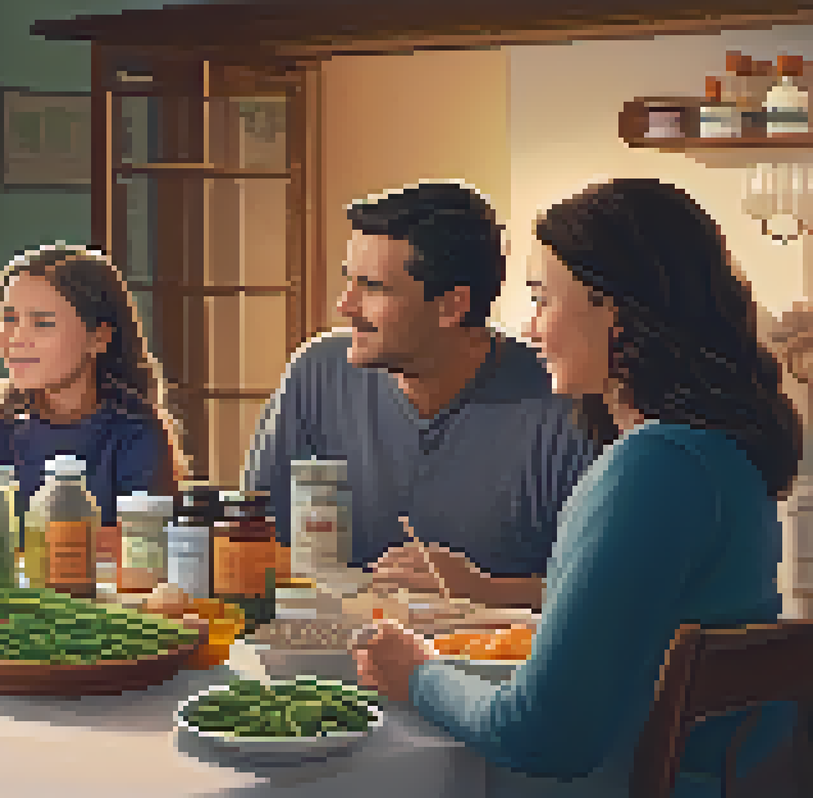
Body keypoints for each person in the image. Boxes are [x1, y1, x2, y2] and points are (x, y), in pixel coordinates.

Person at [351, 178, 802, 797]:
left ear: (616, 315)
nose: (530, 329)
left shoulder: (651, 469)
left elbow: (543, 737)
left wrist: (419, 672)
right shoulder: (719, 455)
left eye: (543, 300)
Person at [244, 180, 596, 601]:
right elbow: (251, 539)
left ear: (452, 306)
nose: (345, 305)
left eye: (372, 287)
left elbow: (607, 594)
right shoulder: (317, 371)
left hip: (493, 660)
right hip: (330, 648)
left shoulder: (561, 401)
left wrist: (483, 590)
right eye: (349, 281)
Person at [0, 243, 185, 527]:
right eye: (9, 319)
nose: (16, 338)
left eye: (42, 323)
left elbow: (144, 548)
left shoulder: (135, 431)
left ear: (99, 338)